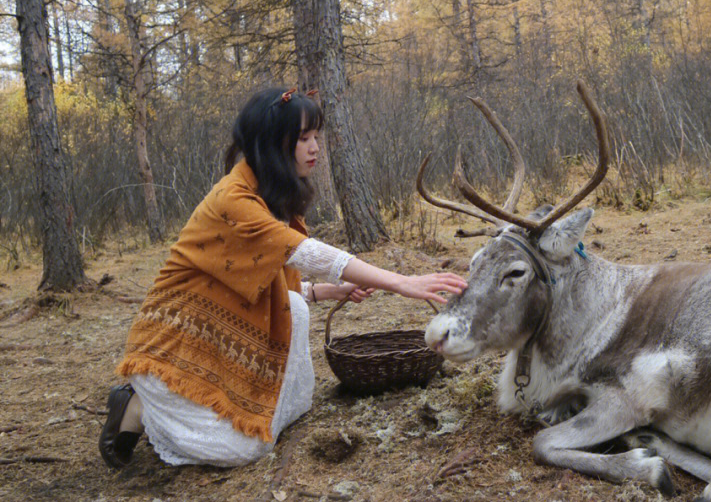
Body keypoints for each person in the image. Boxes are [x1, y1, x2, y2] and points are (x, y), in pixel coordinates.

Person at [99, 86, 466, 469]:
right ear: (273, 144)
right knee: (246, 450)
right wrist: (402, 282)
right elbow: (306, 253)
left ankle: (185, 406)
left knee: (294, 376)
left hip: (214, 324)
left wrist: (328, 291)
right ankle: (140, 408)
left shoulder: (269, 197)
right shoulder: (234, 199)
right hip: (176, 339)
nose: (315, 148)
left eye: (316, 137)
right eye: (304, 139)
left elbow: (271, 285)